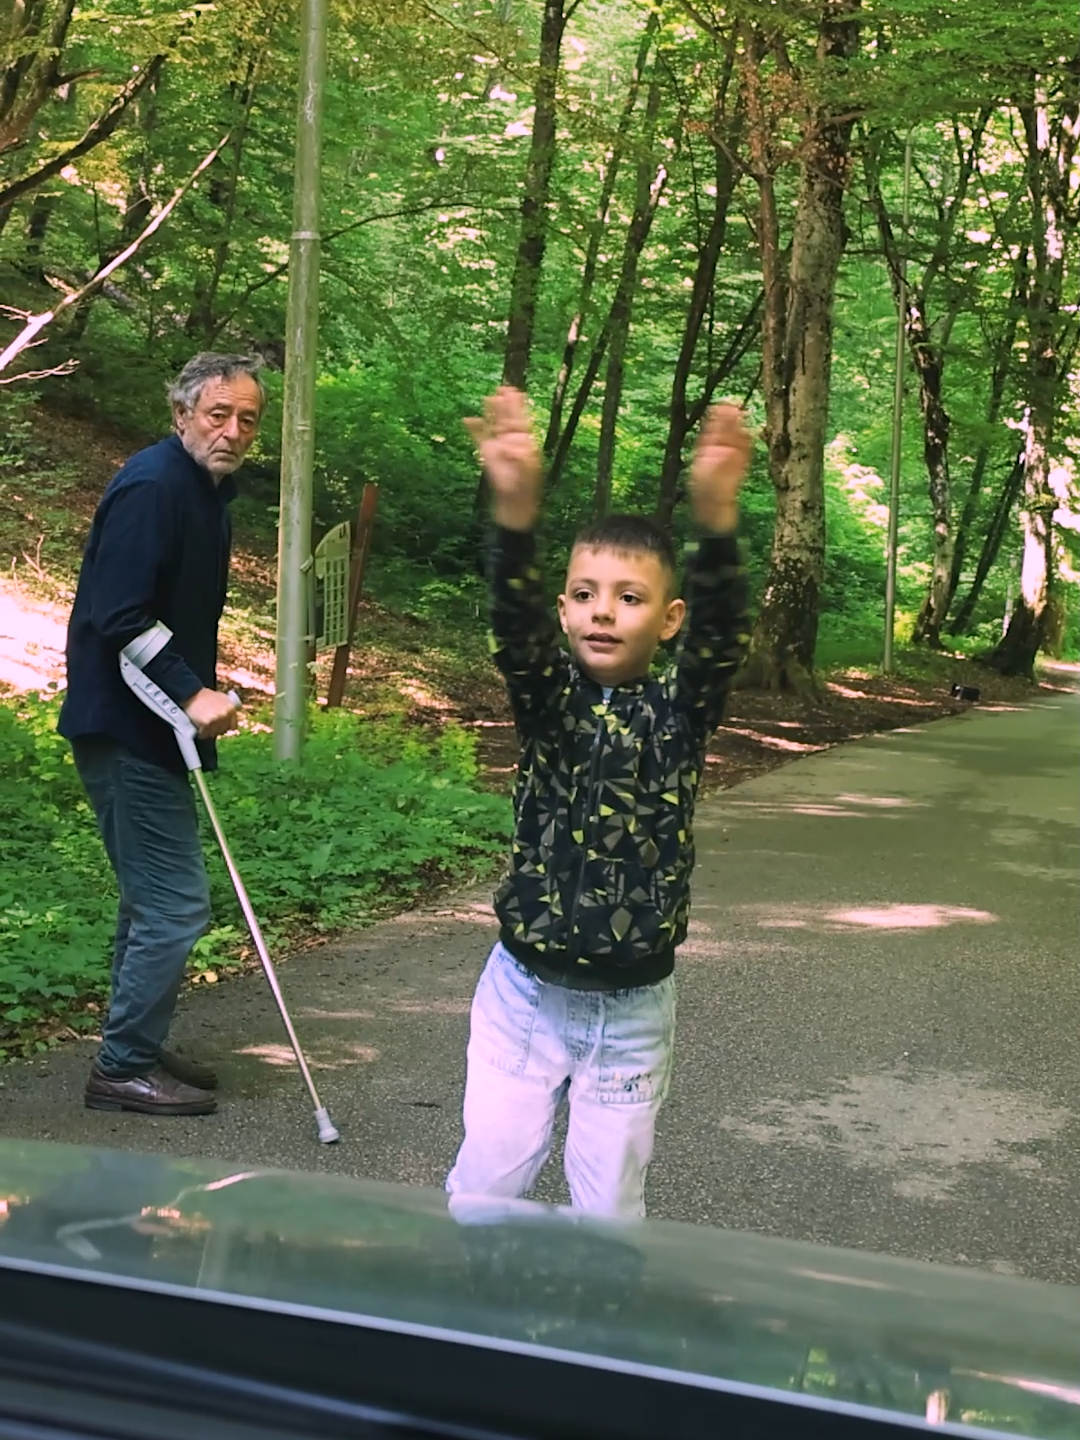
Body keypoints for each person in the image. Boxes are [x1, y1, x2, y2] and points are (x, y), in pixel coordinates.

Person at [447, 387, 751, 1219]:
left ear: (670, 617)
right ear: (562, 609)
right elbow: (514, 634)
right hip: (522, 996)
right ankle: (466, 1327)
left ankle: (589, 1333)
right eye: (584, 594)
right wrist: (515, 516)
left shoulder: (680, 712)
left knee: (610, 1212)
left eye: (629, 596)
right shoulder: (550, 703)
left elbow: (725, 645)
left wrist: (716, 520)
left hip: (633, 1005)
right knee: (487, 1187)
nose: (602, 612)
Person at [58, 352, 266, 1117]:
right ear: (181, 414)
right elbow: (115, 613)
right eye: (219, 414)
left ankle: (133, 1040)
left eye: (248, 418)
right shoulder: (154, 486)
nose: (234, 430)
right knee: (175, 905)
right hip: (126, 723)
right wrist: (191, 690)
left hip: (153, 725)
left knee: (148, 901)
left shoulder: (204, 492)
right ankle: (122, 1067)